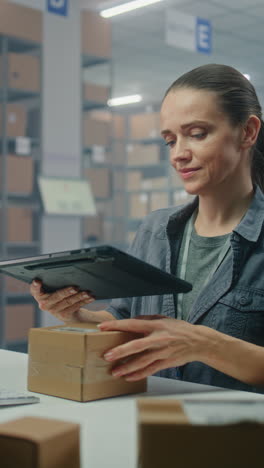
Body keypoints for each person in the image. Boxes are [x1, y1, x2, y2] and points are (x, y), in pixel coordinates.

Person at [31, 64, 264, 393]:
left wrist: (204, 345)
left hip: (241, 437)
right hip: (154, 422)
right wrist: (78, 316)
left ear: (248, 132)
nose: (179, 155)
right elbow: (124, 320)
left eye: (197, 134)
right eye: (170, 141)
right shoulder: (156, 229)